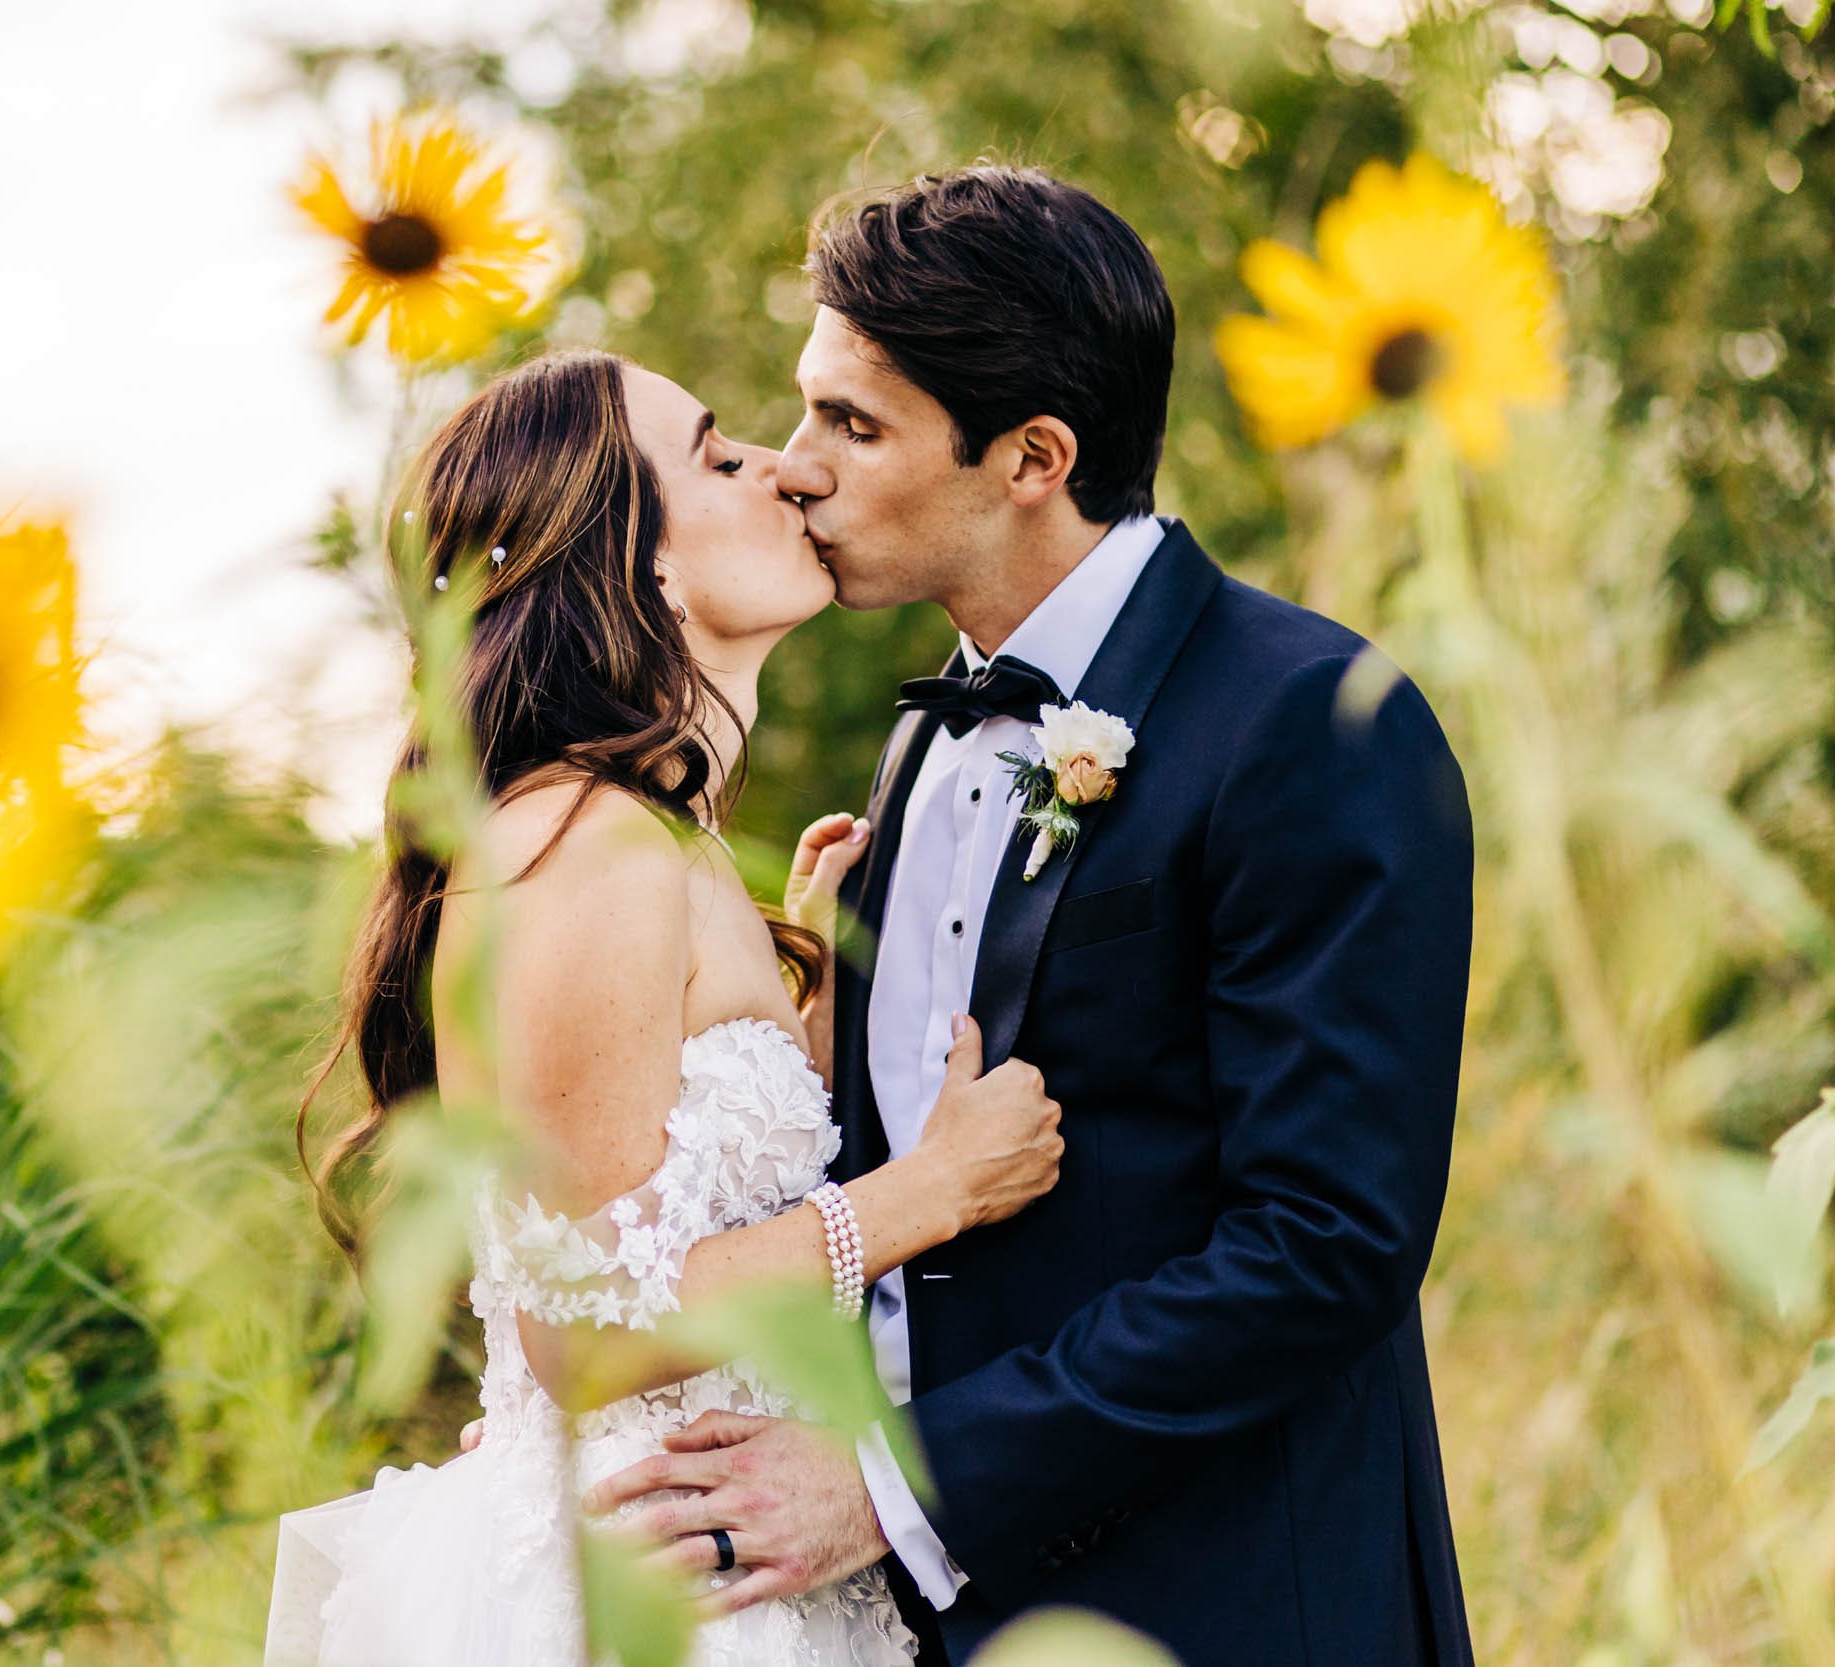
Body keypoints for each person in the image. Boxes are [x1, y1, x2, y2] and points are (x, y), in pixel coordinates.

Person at [581, 165, 1480, 1667]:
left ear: (1033, 457)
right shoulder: (926, 739)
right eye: (804, 414)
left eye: (851, 427)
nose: (795, 467)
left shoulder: (1311, 722)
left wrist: (894, 1484)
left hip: (1230, 1605)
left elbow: (1326, 1245)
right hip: (934, 1624)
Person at [262, 347, 1065, 1667]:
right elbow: (582, 1328)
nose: (789, 468)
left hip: (735, 1553)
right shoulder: (585, 839)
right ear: (634, 561)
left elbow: (654, 1197)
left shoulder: (651, 843)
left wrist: (801, 1010)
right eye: (718, 455)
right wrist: (939, 1189)